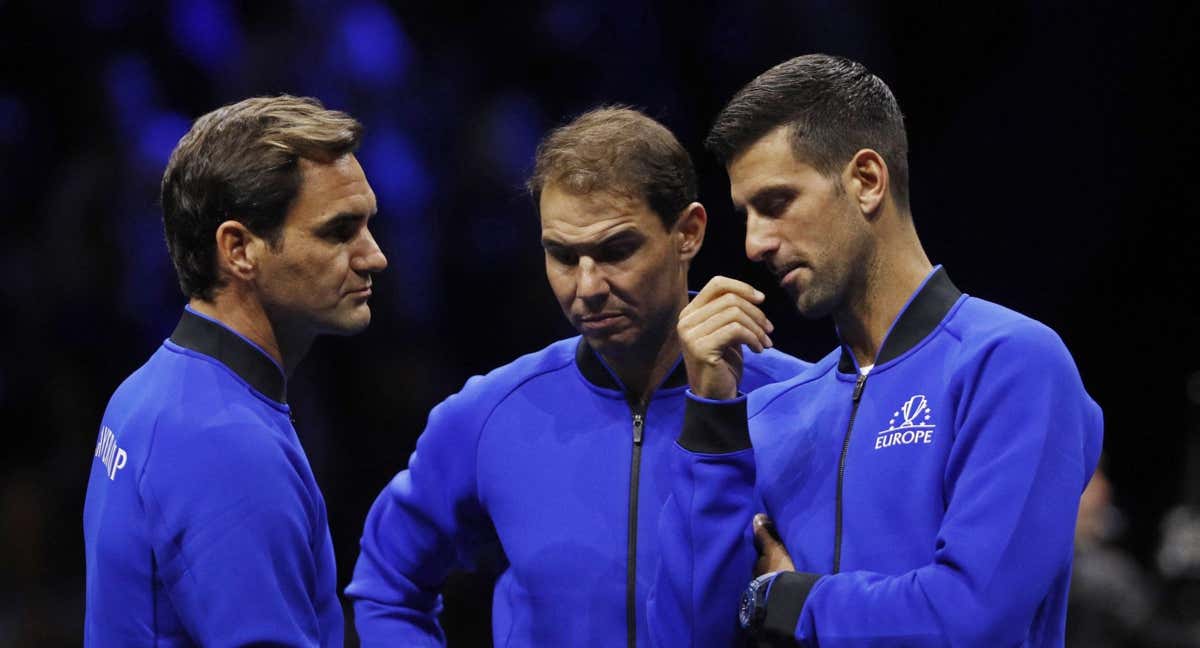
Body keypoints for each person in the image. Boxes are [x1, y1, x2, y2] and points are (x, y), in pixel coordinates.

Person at [648, 54, 1104, 646]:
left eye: (777, 203)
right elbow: (684, 635)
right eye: (746, 215)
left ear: (866, 180)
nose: (755, 242)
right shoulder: (766, 412)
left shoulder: (1011, 365)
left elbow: (970, 620)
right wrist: (710, 415)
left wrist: (787, 600)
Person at [346, 106, 808, 646]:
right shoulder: (489, 414)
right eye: (563, 255)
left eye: (616, 251)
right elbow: (385, 586)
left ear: (688, 232)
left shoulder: (799, 403)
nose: (586, 287)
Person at [83, 95, 387, 646]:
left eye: (368, 226)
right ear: (239, 249)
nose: (374, 256)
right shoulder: (225, 444)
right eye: (340, 231)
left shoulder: (153, 389)